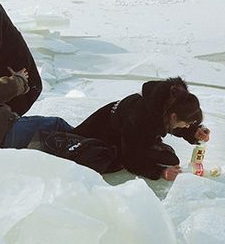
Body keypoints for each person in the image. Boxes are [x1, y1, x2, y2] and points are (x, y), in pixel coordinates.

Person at [73, 77, 210, 181]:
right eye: (187, 123)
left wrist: (193, 132)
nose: (187, 126)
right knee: (164, 160)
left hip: (129, 134)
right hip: (101, 136)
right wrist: (159, 172)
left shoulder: (166, 104)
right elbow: (129, 158)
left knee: (169, 158)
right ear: (173, 116)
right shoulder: (140, 118)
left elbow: (169, 123)